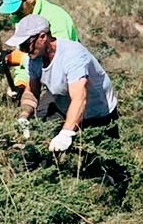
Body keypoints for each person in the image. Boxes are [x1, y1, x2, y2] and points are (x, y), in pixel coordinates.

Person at [7, 14, 118, 152]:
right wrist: (24, 116)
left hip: (98, 114)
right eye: (20, 46)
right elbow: (32, 91)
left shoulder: (72, 55)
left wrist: (66, 133)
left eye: (26, 45)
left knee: (102, 161)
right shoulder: (34, 59)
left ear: (43, 37)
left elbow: (79, 98)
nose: (23, 51)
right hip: (66, 107)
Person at [0, 0, 77, 117]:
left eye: (17, 8)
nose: (14, 14)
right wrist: (22, 83)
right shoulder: (21, 18)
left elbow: (58, 61)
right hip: (42, 82)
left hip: (67, 84)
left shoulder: (56, 18)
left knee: (43, 116)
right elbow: (27, 57)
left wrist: (19, 59)